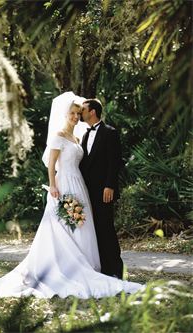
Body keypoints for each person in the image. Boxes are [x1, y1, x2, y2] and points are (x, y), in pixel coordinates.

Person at [0, 92, 143, 298]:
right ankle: (68, 267)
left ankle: (102, 268)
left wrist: (108, 185)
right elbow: (52, 164)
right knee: (66, 226)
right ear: (65, 115)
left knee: (87, 226)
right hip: (65, 185)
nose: (76, 116)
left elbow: (111, 161)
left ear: (90, 112)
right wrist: (54, 186)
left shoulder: (82, 136)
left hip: (82, 186)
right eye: (73, 113)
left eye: (78, 113)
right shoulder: (59, 136)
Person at [80, 98, 124, 279]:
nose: (80, 112)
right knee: (93, 229)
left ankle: (115, 269)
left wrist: (109, 185)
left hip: (104, 190)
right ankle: (102, 269)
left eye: (83, 110)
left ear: (92, 112)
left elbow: (115, 162)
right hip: (86, 191)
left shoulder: (110, 133)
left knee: (106, 227)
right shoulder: (84, 135)